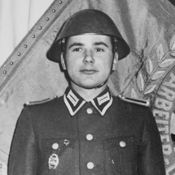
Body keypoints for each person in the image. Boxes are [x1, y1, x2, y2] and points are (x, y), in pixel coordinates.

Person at [8, 9, 165, 175]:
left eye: (99, 49)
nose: (88, 58)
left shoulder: (139, 118)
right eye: (77, 49)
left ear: (114, 60)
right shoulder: (35, 118)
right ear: (63, 60)